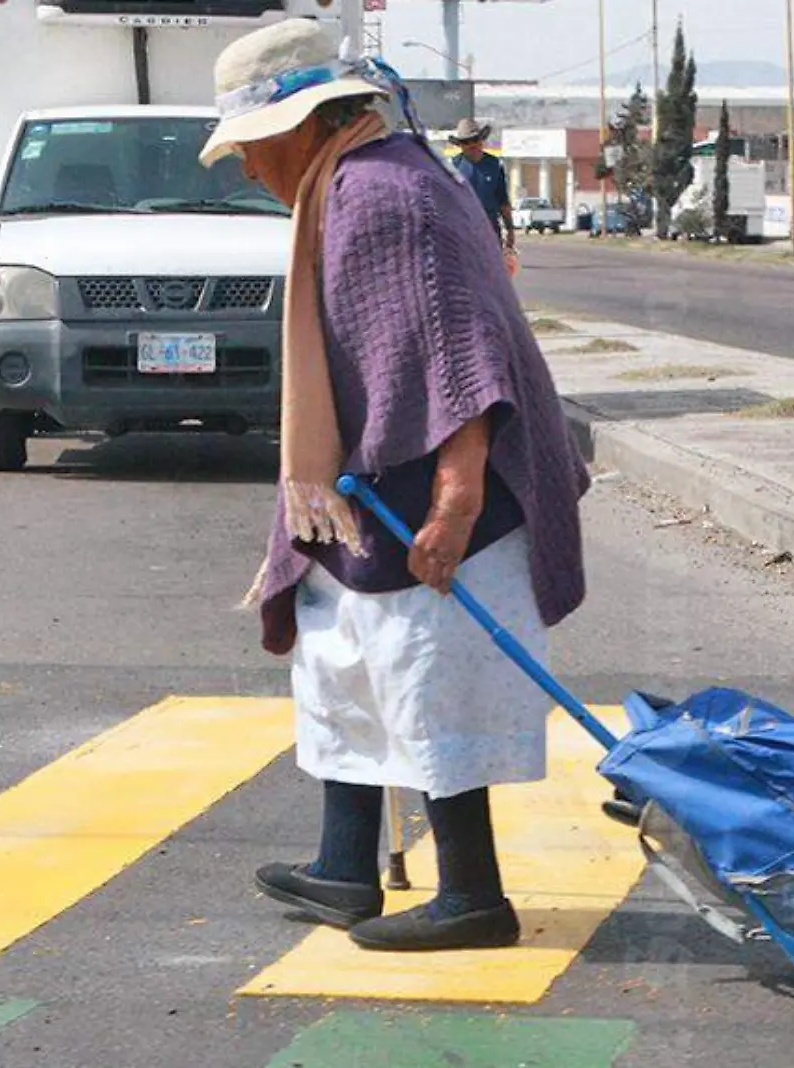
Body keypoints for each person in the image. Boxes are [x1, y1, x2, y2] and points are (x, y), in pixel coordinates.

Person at [200, 20, 591, 952]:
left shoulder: (385, 197)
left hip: (442, 502)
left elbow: (461, 360)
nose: (250, 171)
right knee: (349, 666)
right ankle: (344, 868)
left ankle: (475, 898)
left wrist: (454, 506)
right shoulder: (363, 176)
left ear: (303, 124)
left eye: (252, 149)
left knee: (428, 688)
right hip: (378, 491)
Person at [448, 117, 515, 251]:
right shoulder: (453, 167)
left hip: (490, 231)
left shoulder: (494, 165)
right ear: (460, 145)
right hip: (463, 233)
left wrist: (510, 230)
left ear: (482, 140)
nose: (472, 145)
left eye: (475, 140)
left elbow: (503, 201)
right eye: (466, 142)